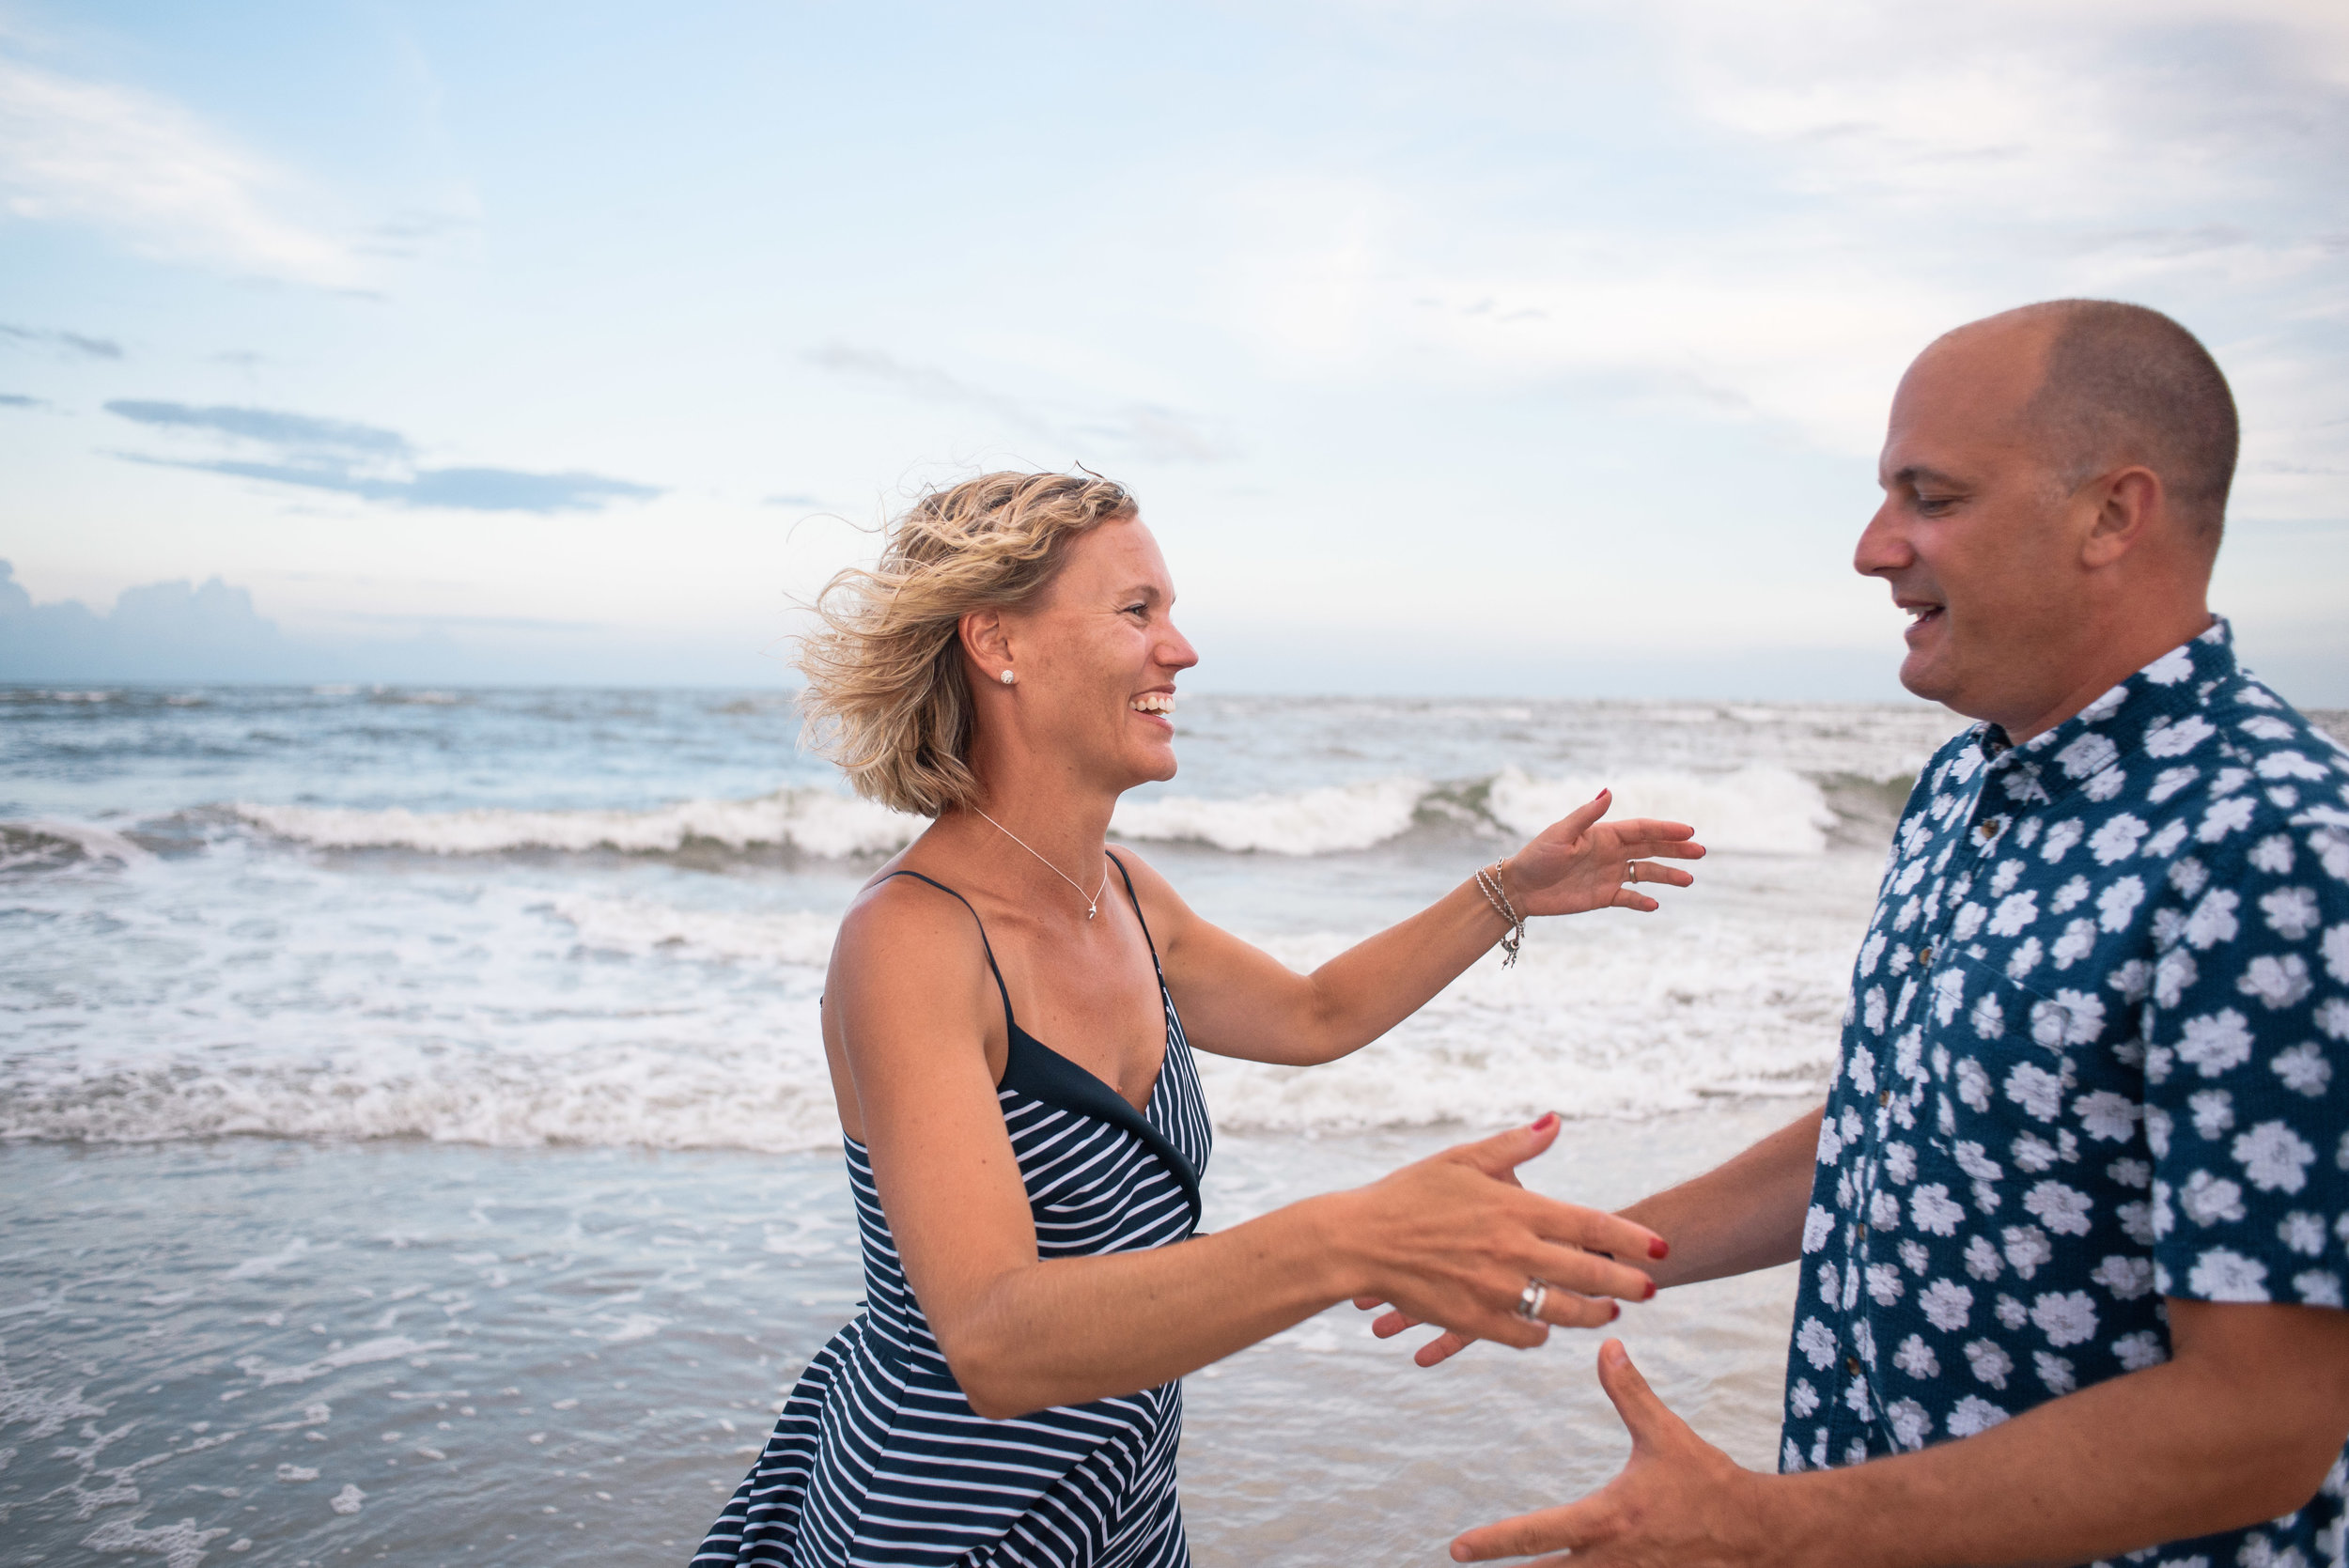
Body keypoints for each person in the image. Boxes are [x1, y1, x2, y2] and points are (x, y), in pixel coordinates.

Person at [1406, 301, 2349, 1565]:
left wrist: (1769, 1531)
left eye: (1932, 495)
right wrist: (1594, 1251)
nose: (1871, 547)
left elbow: (2264, 1417)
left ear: (2113, 515)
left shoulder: (2276, 840)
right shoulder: (1965, 784)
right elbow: (1903, 1121)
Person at [692, 471, 1706, 1568]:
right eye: (1138, 611)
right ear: (996, 642)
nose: (1180, 650)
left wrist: (1503, 891)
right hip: (940, 1527)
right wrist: (1346, 1237)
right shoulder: (913, 941)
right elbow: (992, 1338)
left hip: (1120, 1512)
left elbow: (1316, 1012)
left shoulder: (1123, 891)